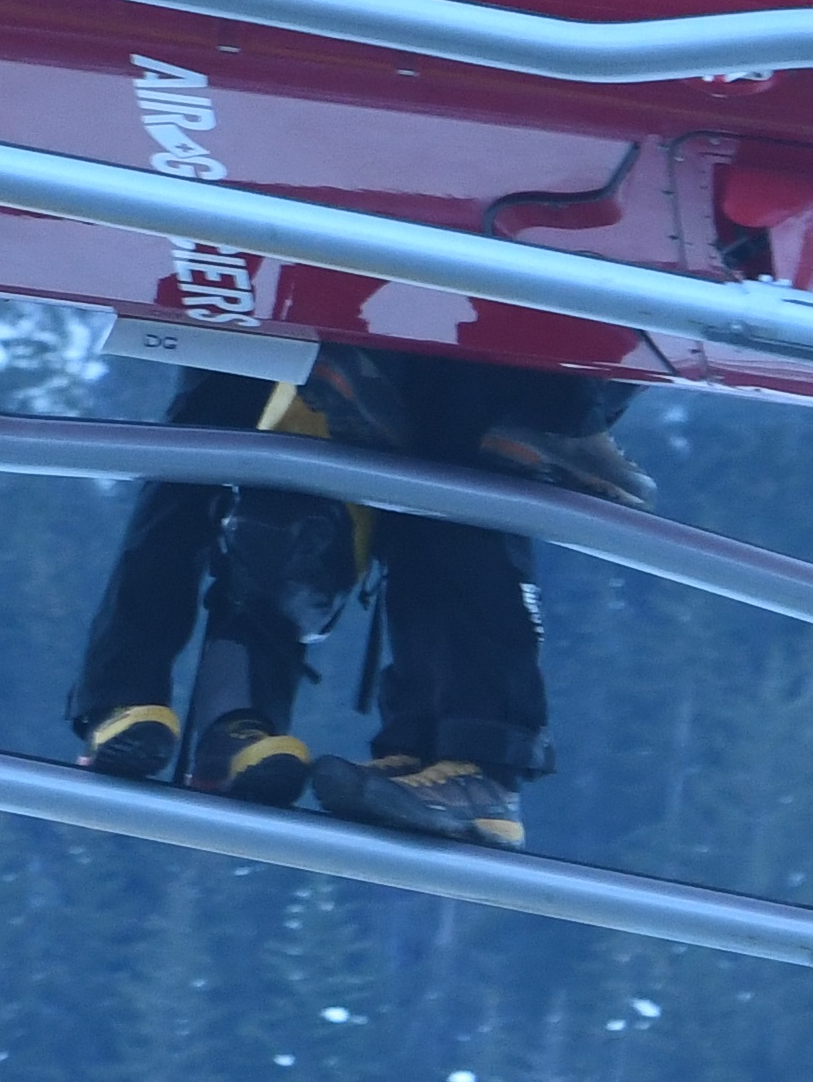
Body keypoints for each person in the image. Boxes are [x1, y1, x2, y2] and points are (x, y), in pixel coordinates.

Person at [69, 349, 645, 850]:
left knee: (431, 464)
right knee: (253, 458)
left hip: (422, 303)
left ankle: (470, 756)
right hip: (337, 284)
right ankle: (201, 713)